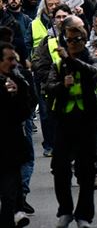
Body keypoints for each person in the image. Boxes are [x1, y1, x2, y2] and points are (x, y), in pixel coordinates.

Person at [45, 18, 97, 228]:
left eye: (77, 40)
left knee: (86, 171)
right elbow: (49, 87)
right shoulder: (58, 64)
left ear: (84, 40)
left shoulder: (91, 57)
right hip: (64, 122)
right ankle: (65, 210)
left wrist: (72, 60)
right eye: (69, 40)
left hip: (87, 121)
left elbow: (96, 72)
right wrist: (62, 86)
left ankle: (84, 214)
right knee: (60, 168)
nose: (73, 43)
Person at [0, 42, 33, 228]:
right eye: (9, 59)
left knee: (9, 193)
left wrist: (16, 95)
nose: (13, 63)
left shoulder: (19, 81)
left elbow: (25, 112)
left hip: (10, 148)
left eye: (15, 58)